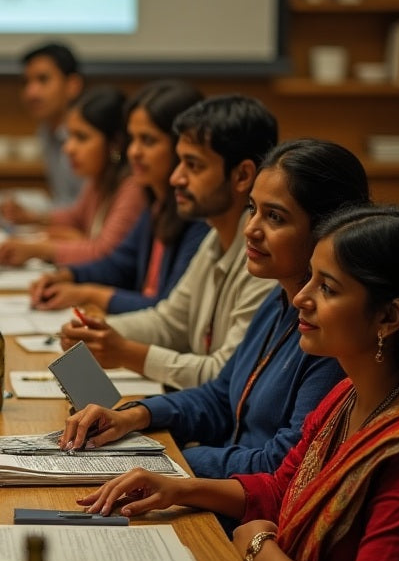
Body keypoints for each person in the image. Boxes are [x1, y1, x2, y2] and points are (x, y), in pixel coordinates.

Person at [79, 205, 399, 561]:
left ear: (389, 318)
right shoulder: (348, 394)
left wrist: (260, 549)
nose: (301, 299)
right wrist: (178, 486)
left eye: (327, 288)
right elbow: (284, 485)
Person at [62, 138, 371, 478]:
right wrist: (135, 416)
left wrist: (168, 462)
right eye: (252, 209)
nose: (251, 229)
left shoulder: (332, 332)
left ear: (326, 230)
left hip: (242, 507)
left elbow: (280, 466)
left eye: (275, 217)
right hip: (218, 481)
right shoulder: (278, 298)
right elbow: (222, 396)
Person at [58, 95, 278, 389]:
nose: (177, 178)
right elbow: (169, 322)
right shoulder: (216, 236)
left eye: (193, 165)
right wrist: (99, 332)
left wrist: (124, 351)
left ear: (242, 175)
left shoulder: (267, 259)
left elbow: (226, 377)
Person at [30, 79, 209, 314]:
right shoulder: (157, 201)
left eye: (148, 140)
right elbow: (119, 263)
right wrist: (68, 276)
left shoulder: (198, 218)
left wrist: (86, 292)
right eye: (132, 139)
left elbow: (169, 313)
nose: (133, 152)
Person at [0, 86, 146, 267]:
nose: (68, 148)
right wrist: (31, 217)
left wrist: (37, 250)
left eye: (81, 137)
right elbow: (76, 217)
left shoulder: (132, 188)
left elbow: (104, 253)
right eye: (69, 136)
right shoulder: (101, 177)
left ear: (115, 143)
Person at [0, 41, 85, 221]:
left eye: (43, 80)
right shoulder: (46, 130)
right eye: (26, 82)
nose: (31, 92)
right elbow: (63, 200)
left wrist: (37, 217)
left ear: (72, 85)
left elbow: (88, 213)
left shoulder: (88, 136)